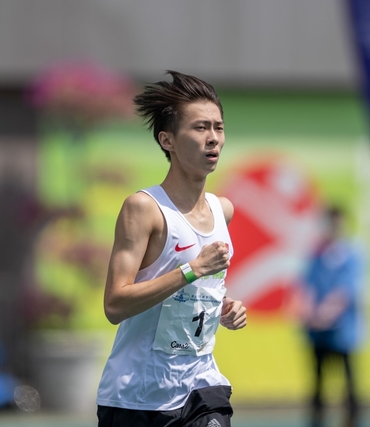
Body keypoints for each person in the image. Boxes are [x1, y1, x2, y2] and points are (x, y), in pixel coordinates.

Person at [96, 71, 247, 427]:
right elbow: (115, 305)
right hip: (138, 396)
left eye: (219, 127)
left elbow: (197, 288)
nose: (213, 138)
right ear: (168, 140)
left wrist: (224, 307)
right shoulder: (144, 209)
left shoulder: (223, 210)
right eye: (200, 128)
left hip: (201, 387)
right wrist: (193, 269)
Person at [297, 206, 367, 427]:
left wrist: (325, 313)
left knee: (349, 380)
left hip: (343, 329)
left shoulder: (353, 255)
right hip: (318, 332)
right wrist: (309, 312)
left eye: (337, 224)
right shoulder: (316, 255)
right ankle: (317, 416)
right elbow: (306, 287)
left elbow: (346, 291)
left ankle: (352, 417)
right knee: (318, 381)